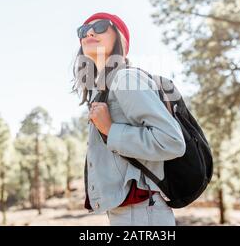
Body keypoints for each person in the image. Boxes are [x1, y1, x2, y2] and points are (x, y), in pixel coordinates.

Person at [72, 12, 185, 226]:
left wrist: (110, 130)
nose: (90, 32)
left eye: (102, 26)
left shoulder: (125, 78)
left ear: (120, 39)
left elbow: (172, 141)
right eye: (83, 30)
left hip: (141, 212)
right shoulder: (103, 88)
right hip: (130, 212)